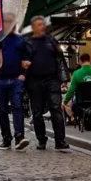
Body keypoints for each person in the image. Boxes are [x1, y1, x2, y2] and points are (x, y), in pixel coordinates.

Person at [23, 16, 70, 150]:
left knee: (56, 108)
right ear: (33, 28)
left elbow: (60, 59)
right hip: (34, 81)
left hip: (52, 80)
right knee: (37, 112)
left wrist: (64, 78)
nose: (42, 27)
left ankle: (60, 140)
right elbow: (24, 62)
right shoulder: (28, 43)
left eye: (43, 24)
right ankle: (41, 139)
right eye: (39, 25)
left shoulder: (52, 40)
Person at [0, 12, 30, 150]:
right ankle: (6, 137)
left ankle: (19, 136)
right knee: (2, 110)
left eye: (13, 22)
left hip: (16, 79)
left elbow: (27, 59)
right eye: (8, 21)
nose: (11, 24)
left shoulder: (20, 40)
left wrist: (24, 74)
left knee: (17, 107)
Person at [62, 53, 91, 121]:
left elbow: (71, 90)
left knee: (72, 104)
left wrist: (64, 102)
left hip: (81, 100)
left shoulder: (76, 73)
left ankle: (75, 119)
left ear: (80, 61)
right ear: (90, 60)